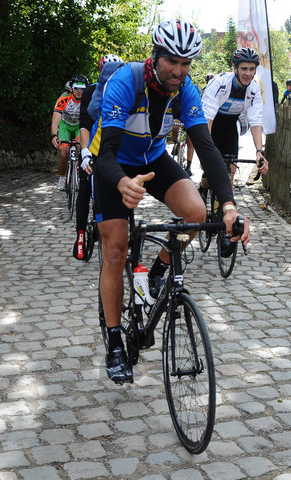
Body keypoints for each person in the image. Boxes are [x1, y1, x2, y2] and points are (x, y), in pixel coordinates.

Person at [89, 19, 251, 383]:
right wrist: (122, 183)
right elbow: (106, 153)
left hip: (152, 158)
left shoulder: (185, 90)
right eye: (171, 62)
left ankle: (159, 271)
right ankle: (115, 341)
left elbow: (207, 149)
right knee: (115, 250)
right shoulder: (124, 82)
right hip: (114, 164)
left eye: (186, 64)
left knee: (195, 213)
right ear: (155, 56)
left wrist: (228, 205)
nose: (179, 71)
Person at [73, 54, 124, 260]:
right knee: (85, 187)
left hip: (115, 146)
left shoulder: (126, 90)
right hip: (92, 144)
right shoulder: (90, 92)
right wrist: (84, 153)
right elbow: (84, 125)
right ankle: (80, 235)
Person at [201, 46, 269, 189]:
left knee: (229, 178)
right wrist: (205, 151)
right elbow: (207, 118)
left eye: (252, 69)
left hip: (231, 128)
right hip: (212, 126)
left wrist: (259, 152)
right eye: (244, 68)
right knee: (208, 177)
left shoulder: (254, 89)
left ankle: (224, 209)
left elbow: (255, 121)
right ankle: (203, 186)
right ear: (235, 69)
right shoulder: (219, 84)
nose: (248, 73)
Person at [51, 74, 88, 189]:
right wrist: (54, 135)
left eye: (82, 89)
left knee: (82, 149)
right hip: (65, 125)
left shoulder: (88, 101)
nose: (79, 91)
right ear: (71, 88)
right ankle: (62, 178)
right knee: (63, 152)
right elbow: (56, 118)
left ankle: (77, 173)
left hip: (79, 126)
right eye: (76, 88)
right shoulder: (64, 99)